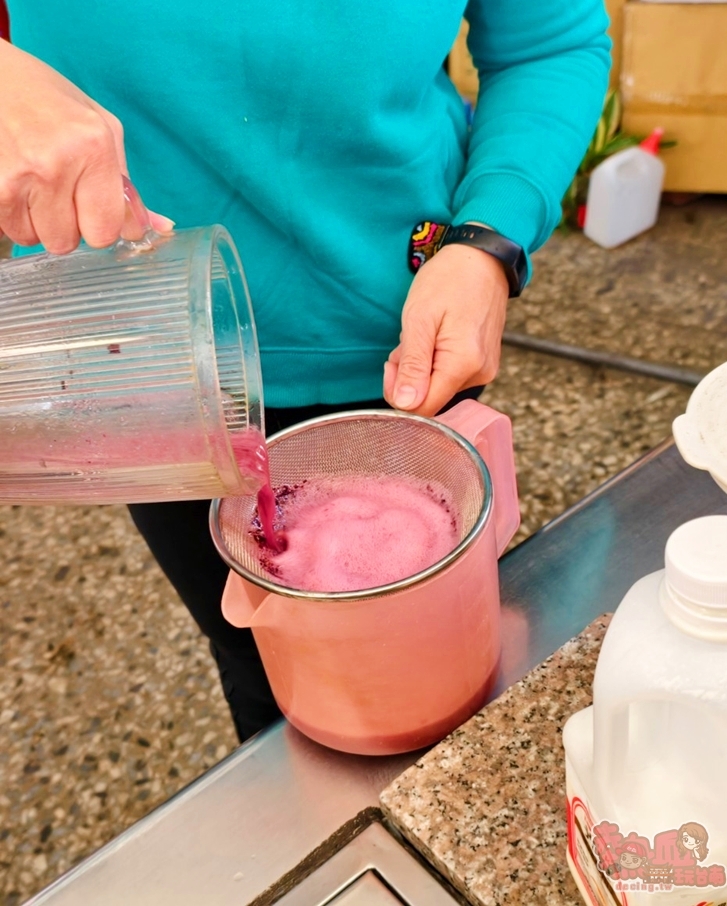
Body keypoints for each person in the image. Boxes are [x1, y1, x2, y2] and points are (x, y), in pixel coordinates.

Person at [0, 1, 611, 741]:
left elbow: (549, 44)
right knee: (258, 664)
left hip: (404, 334)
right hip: (136, 353)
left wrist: (488, 243)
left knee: (438, 655)